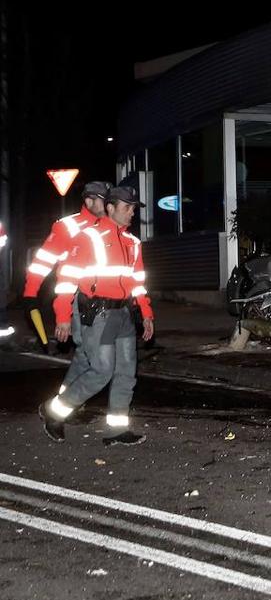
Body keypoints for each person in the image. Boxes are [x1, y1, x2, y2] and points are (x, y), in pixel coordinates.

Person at [38, 186, 153, 445]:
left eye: (134, 208)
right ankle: (54, 411)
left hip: (123, 314)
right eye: (127, 207)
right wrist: (63, 317)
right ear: (110, 208)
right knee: (101, 371)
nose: (132, 212)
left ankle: (116, 430)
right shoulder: (88, 237)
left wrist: (146, 313)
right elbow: (66, 279)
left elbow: (138, 281)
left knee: (126, 373)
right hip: (98, 314)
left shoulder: (133, 243)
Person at [23, 180, 112, 353]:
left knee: (93, 358)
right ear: (89, 201)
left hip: (110, 301)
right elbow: (42, 262)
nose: (110, 206)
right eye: (105, 201)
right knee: (94, 353)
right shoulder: (68, 227)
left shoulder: (112, 227)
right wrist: (30, 295)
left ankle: (76, 380)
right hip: (81, 299)